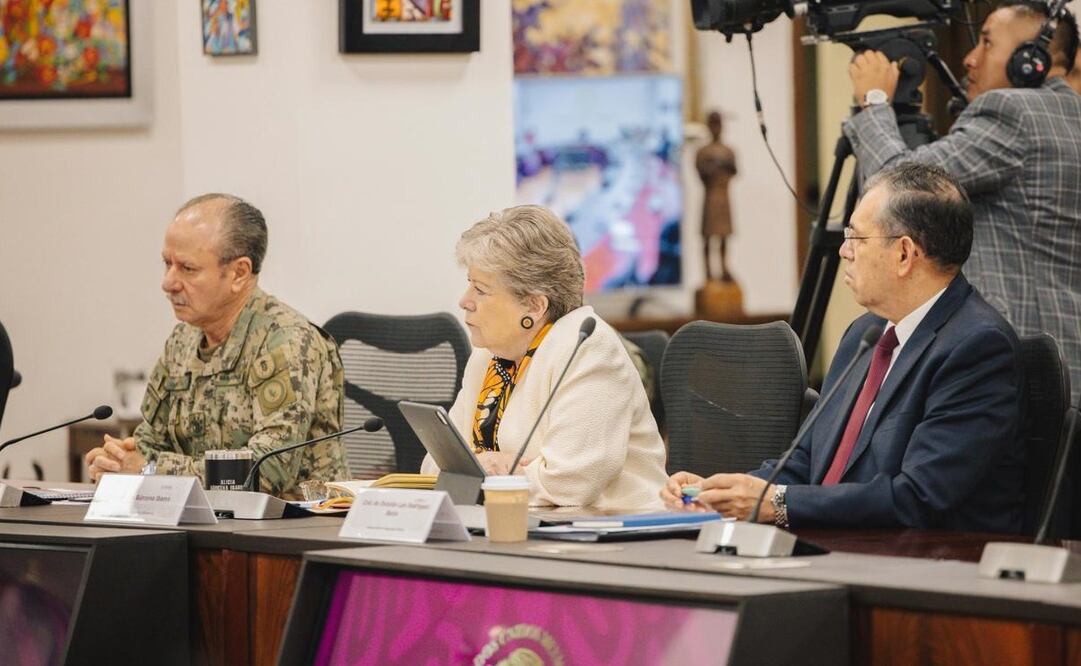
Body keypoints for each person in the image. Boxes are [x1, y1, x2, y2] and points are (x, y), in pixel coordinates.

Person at [662, 164, 1026, 533]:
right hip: (837, 546)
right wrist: (721, 491)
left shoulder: (976, 347)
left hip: (924, 564)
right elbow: (808, 461)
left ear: (904, 254)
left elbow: (919, 497)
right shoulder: (864, 334)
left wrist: (776, 503)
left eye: (856, 237)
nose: (843, 251)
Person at [844, 1, 1081, 402]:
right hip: (1064, 358)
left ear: (1031, 60)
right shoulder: (1069, 113)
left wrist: (874, 101)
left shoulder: (1015, 112)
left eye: (987, 43)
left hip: (1015, 368)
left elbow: (899, 191)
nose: (970, 59)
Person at [84, 194, 349, 499]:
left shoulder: (287, 341)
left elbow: (265, 471)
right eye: (167, 264)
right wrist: (117, 461)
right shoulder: (182, 342)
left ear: (238, 273)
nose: (168, 282)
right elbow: (148, 444)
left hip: (292, 530)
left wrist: (150, 470)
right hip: (205, 523)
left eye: (187, 268)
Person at [421, 205, 668, 509]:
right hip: (517, 526)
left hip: (612, 534)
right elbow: (436, 465)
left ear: (534, 306)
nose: (465, 302)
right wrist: (503, 468)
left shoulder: (588, 348)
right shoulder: (489, 354)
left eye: (481, 290)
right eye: (469, 284)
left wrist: (488, 471)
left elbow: (571, 482)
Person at [695, 111, 738, 282]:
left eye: (718, 124)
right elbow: (701, 171)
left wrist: (721, 166)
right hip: (710, 196)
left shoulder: (728, 151)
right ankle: (708, 271)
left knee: (724, 236)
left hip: (723, 196)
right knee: (708, 237)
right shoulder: (703, 152)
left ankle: (724, 267)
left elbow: (734, 170)